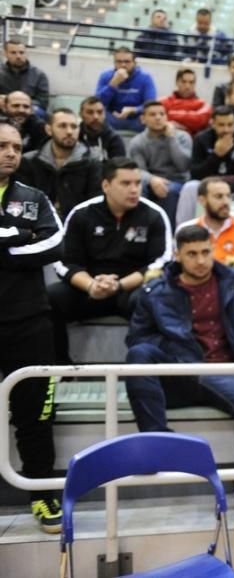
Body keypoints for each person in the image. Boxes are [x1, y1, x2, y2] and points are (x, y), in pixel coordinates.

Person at [124, 224, 234, 504]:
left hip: (226, 369)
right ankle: (157, 442)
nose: (200, 260)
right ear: (178, 255)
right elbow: (138, 337)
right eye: (192, 254)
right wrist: (178, 352)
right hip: (180, 372)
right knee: (139, 354)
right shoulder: (155, 291)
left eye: (205, 252)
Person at [0, 121, 64, 533]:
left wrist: (6, 246)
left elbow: (55, 243)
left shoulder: (34, 197)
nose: (10, 153)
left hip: (28, 322)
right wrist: (14, 236)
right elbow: (30, 242)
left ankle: (41, 492)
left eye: (17, 147)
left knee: (36, 415)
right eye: (2, 145)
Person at [48, 157, 171, 364]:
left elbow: (161, 261)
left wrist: (119, 285)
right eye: (126, 183)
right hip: (89, 289)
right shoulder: (82, 214)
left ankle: (142, 369)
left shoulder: (154, 214)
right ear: (106, 185)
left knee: (151, 298)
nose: (134, 189)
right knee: (50, 298)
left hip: (131, 289)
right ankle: (60, 371)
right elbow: (64, 262)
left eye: (138, 183)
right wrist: (90, 285)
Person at [175, 106, 234, 225]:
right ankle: (183, 232)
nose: (226, 129)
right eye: (221, 125)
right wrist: (216, 155)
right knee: (190, 187)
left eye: (230, 125)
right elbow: (195, 173)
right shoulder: (201, 139)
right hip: (209, 190)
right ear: (212, 123)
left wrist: (227, 190)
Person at [16, 108, 102, 219]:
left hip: (77, 228)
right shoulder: (29, 161)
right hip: (37, 226)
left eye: (74, 127)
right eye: (62, 126)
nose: (69, 132)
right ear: (48, 129)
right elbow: (23, 202)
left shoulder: (92, 162)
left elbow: (94, 204)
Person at [127, 100, 192, 226]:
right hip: (150, 180)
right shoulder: (137, 142)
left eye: (162, 114)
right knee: (137, 189)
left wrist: (171, 139)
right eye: (152, 114)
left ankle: (166, 231)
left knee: (170, 191)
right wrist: (152, 179)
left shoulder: (183, 137)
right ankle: (137, 228)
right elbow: (136, 170)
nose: (158, 118)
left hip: (178, 180)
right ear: (143, 119)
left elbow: (183, 166)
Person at [176, 176, 234, 278]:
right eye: (219, 197)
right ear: (202, 200)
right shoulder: (185, 229)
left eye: (228, 196)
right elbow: (179, 270)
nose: (226, 202)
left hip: (233, 290)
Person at [95, 47, 158, 132]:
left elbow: (151, 104)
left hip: (137, 120)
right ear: (114, 63)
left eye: (127, 62)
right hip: (112, 118)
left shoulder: (145, 77)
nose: (123, 65)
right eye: (119, 62)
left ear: (134, 63)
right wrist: (113, 84)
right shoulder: (106, 76)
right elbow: (98, 103)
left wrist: (134, 110)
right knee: (97, 115)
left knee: (152, 116)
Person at [0, 38, 48, 112]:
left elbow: (43, 101)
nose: (18, 56)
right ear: (5, 54)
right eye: (13, 53)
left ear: (26, 53)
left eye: (21, 52)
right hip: (3, 109)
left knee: (39, 112)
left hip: (29, 110)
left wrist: (23, 102)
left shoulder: (38, 75)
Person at [160, 67, 212, 134]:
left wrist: (170, 114)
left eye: (191, 82)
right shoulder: (162, 102)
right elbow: (157, 121)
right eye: (183, 82)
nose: (187, 86)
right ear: (176, 82)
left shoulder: (203, 105)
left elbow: (199, 121)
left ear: (195, 84)